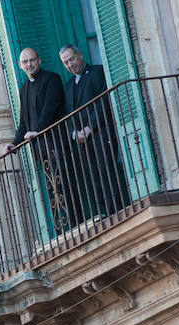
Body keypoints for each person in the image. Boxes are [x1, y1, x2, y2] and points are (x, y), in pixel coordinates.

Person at [3, 48, 75, 232]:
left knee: (66, 183)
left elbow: (50, 108)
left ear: (39, 60)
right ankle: (64, 229)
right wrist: (15, 143)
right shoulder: (24, 89)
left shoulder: (52, 79)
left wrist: (37, 130)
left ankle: (76, 223)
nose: (29, 64)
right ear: (20, 66)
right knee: (53, 188)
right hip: (40, 149)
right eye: (25, 62)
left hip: (57, 141)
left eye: (32, 60)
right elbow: (24, 122)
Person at [59, 44, 123, 217]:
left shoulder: (97, 72)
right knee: (95, 179)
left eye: (71, 59)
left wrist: (89, 128)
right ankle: (106, 213)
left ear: (80, 55)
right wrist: (74, 133)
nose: (70, 64)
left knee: (107, 173)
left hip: (101, 133)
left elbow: (103, 102)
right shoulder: (68, 85)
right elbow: (68, 114)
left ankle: (116, 212)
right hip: (83, 141)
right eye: (65, 62)